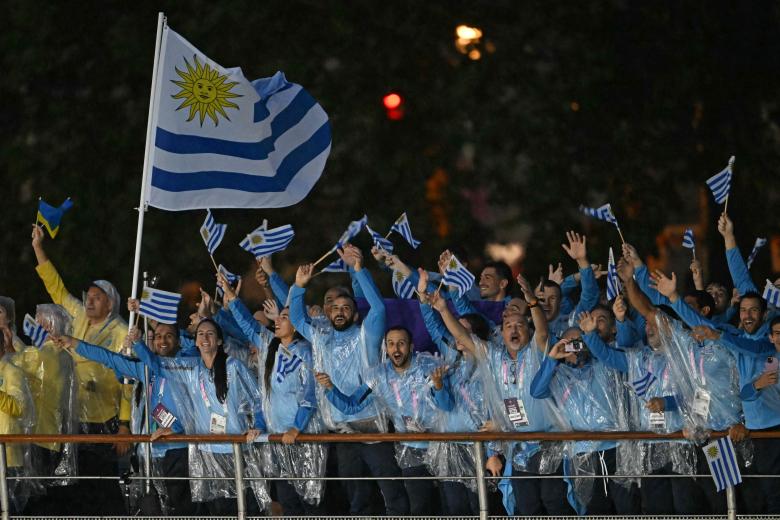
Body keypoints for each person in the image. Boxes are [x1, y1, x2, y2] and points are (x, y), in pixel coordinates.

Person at [100, 319, 268, 515]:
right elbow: (136, 365)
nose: (205, 338)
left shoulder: (232, 366)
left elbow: (257, 398)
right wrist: (76, 344)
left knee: (239, 507)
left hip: (232, 449)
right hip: (204, 450)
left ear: (220, 341)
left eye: (210, 334)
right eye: (200, 334)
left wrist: (259, 425)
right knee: (212, 508)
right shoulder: (191, 369)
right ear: (195, 341)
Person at [289, 244, 410, 515]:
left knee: (392, 493)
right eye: (335, 308)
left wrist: (358, 269)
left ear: (355, 314)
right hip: (342, 432)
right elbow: (296, 318)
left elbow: (378, 309)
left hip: (373, 430)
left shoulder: (366, 335)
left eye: (346, 307)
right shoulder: (321, 338)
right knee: (356, 498)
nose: (340, 311)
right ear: (329, 314)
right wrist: (298, 287)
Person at [31, 224, 131, 515]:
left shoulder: (121, 331)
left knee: (104, 484)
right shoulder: (78, 317)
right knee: (75, 483)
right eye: (88, 295)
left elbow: (127, 381)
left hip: (105, 420)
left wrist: (124, 424)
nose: (88, 301)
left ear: (110, 303)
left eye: (97, 297)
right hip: (73, 415)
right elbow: (57, 288)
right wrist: (38, 247)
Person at [54, 310, 195, 516]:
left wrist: (149, 332)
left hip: (178, 451)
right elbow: (108, 357)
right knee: (151, 509)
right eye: (157, 337)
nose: (162, 341)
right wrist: (74, 342)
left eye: (169, 336)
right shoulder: (145, 369)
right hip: (148, 451)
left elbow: (190, 348)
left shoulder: (187, 364)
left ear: (179, 341)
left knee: (180, 510)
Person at [218, 274, 326, 515]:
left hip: (301, 437)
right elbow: (247, 325)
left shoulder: (306, 351)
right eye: (278, 317)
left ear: (297, 324)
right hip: (277, 439)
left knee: (311, 503)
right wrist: (232, 296)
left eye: (285, 318)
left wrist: (296, 428)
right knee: (288, 503)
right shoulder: (269, 347)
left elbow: (310, 393)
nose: (277, 321)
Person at [315, 326, 443, 515]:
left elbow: (446, 404)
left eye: (401, 343)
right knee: (419, 507)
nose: (396, 349)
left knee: (452, 506)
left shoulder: (427, 367)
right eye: (391, 344)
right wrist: (330, 388)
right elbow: (352, 406)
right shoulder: (378, 376)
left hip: (442, 444)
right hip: (411, 450)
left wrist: (439, 387)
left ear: (411, 346)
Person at [530, 317, 639, 515]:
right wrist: (552, 359)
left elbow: (626, 348)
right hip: (581, 453)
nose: (576, 347)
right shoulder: (559, 375)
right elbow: (536, 391)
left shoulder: (605, 366)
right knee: (594, 507)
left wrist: (594, 338)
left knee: (627, 506)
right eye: (570, 343)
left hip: (614, 448)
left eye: (580, 341)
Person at [11, 304, 77, 515]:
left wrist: (10, 339)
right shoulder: (58, 351)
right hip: (48, 434)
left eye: (39, 321)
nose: (34, 325)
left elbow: (18, 365)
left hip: (42, 434)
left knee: (39, 497)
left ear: (51, 325)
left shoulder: (50, 352)